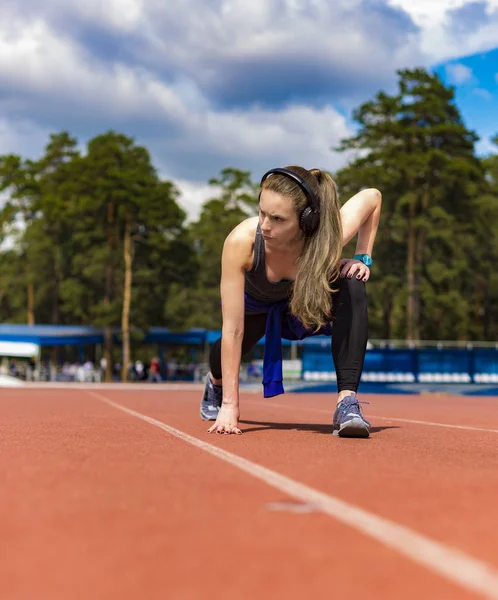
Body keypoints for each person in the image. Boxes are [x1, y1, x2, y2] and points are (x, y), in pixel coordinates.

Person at [200, 166, 381, 437]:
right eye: (261, 212)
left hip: (302, 300)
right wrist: (229, 405)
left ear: (307, 220)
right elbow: (233, 330)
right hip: (256, 306)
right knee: (236, 344)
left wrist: (362, 258)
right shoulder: (242, 242)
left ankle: (347, 401)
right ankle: (215, 383)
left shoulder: (327, 240)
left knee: (352, 281)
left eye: (277, 219)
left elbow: (372, 196)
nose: (264, 225)